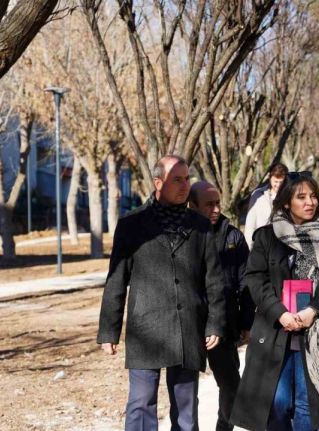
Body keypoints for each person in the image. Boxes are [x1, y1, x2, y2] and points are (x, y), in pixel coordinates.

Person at [230, 174, 319, 431]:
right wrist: (280, 313)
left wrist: (314, 310)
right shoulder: (267, 237)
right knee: (278, 403)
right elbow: (255, 278)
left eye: (314, 196)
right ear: (286, 202)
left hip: (316, 331)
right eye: (301, 197)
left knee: (308, 404)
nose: (310, 202)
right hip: (276, 330)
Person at [97, 155, 227, 431]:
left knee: (186, 408)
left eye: (186, 179)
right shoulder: (132, 224)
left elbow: (214, 279)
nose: (183, 186)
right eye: (176, 180)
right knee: (141, 404)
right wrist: (109, 330)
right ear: (158, 183)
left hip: (187, 326)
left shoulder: (201, 226)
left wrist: (215, 322)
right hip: (146, 328)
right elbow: (116, 280)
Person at [189, 180, 254, 431]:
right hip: (191, 324)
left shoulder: (233, 236)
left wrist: (246, 321)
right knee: (186, 390)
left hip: (225, 323)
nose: (216, 209)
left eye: (218, 203)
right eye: (209, 205)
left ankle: (223, 428)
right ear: (192, 206)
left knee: (231, 387)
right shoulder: (183, 236)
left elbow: (246, 280)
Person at [244, 163, 289, 247]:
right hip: (261, 246)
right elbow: (250, 226)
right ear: (269, 178)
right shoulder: (258, 195)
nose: (278, 185)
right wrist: (251, 249)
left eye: (281, 182)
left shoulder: (289, 197)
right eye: (275, 181)